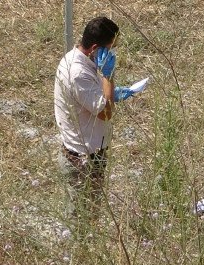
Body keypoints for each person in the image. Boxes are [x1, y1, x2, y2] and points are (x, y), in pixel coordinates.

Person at [54, 16, 141, 204]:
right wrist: (108, 77)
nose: (112, 53)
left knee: (90, 213)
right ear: (95, 48)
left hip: (86, 153)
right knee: (84, 215)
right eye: (110, 48)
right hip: (83, 161)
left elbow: (87, 96)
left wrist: (111, 93)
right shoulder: (78, 74)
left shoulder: (74, 58)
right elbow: (106, 113)